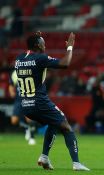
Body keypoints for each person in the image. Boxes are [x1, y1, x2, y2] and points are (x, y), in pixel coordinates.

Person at [14, 31, 89, 171]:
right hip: (39, 102)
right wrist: (70, 47)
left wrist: (35, 38)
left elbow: (31, 60)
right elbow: (65, 63)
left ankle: (44, 157)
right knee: (66, 127)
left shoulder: (19, 59)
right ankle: (77, 164)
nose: (45, 44)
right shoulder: (40, 58)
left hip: (25, 104)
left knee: (54, 123)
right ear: (37, 45)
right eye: (42, 42)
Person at [9, 70, 36, 145]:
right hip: (18, 100)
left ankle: (32, 138)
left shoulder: (30, 71)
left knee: (29, 118)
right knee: (14, 121)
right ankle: (26, 128)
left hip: (28, 98)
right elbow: (11, 84)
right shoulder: (15, 73)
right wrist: (11, 92)